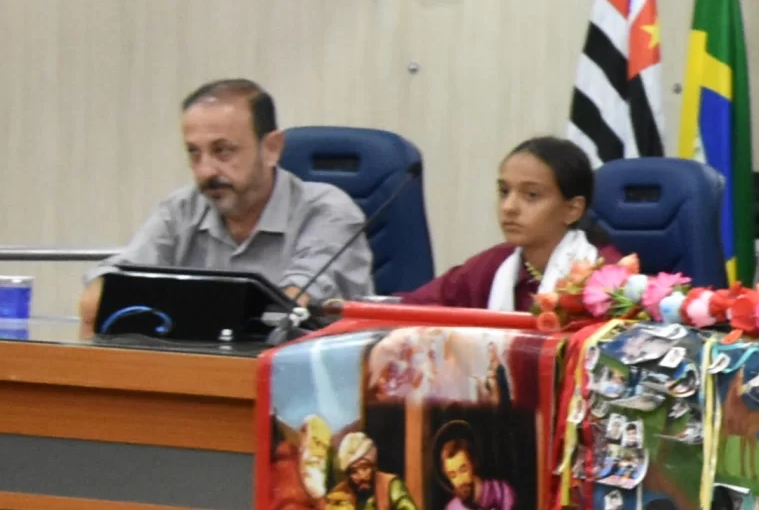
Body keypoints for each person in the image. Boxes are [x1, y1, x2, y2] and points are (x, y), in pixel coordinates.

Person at [84, 79, 372, 325]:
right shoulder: (182, 209)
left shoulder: (328, 212)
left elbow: (292, 309)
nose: (205, 171)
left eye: (223, 151)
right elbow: (102, 296)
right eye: (194, 153)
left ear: (271, 148)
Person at [405, 137, 605, 310]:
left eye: (531, 195)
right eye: (504, 191)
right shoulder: (494, 263)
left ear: (572, 209)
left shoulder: (604, 276)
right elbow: (410, 308)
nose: (509, 207)